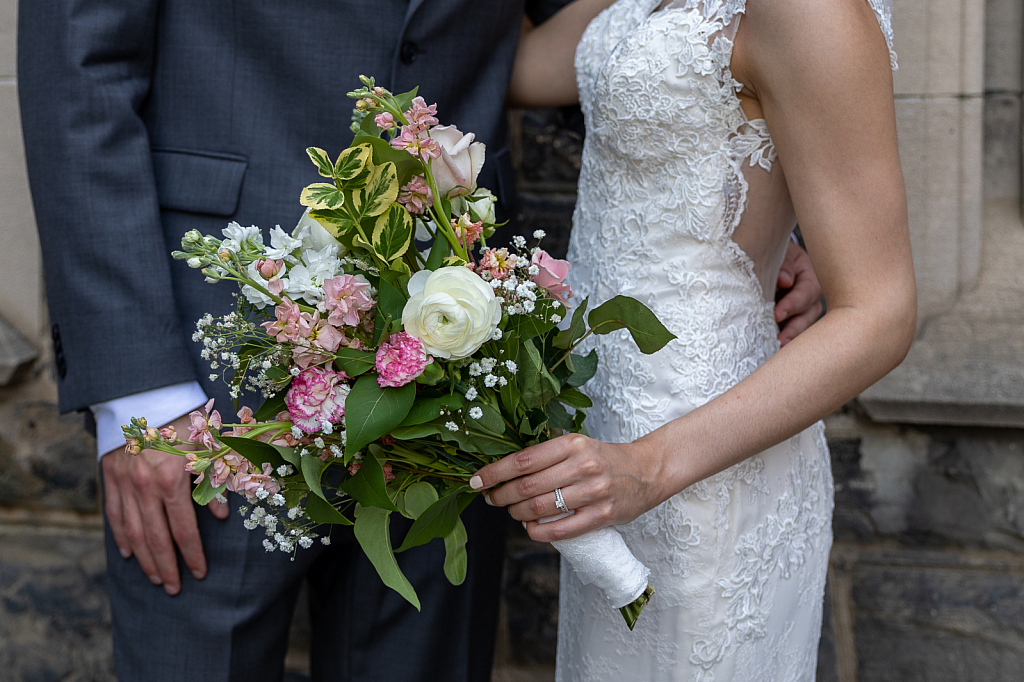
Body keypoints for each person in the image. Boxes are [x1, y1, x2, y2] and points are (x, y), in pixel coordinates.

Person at [17, 0, 825, 679]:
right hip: (212, 350)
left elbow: (639, 21)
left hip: (466, 347)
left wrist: (745, 213)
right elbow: (78, 76)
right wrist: (140, 394)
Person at [474, 1, 914, 681]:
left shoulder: (812, 11)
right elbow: (526, 68)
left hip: (703, 458)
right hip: (603, 446)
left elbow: (880, 316)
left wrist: (647, 468)